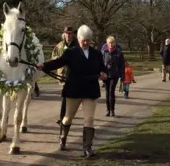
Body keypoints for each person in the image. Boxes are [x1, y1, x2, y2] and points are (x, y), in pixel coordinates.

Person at [36, 25, 107, 157]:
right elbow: (58, 62)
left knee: (89, 119)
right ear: (79, 38)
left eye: (88, 40)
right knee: (68, 118)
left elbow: (102, 68)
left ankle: (87, 148)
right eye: (83, 40)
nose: (86, 42)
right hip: (74, 89)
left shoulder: (96, 54)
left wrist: (104, 74)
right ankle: (63, 137)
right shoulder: (71, 52)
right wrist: (44, 66)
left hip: (90, 90)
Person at [51, 26, 78, 124]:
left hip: (74, 75)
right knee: (66, 95)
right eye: (67, 33)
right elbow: (53, 57)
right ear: (64, 34)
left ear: (73, 34)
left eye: (70, 33)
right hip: (62, 75)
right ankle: (65, 116)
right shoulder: (60, 45)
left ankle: (65, 116)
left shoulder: (77, 46)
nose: (68, 35)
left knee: (67, 96)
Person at [101, 36, 125, 117]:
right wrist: (100, 73)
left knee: (111, 92)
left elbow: (122, 65)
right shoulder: (104, 52)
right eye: (109, 43)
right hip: (106, 75)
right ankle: (108, 110)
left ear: (115, 43)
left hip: (115, 74)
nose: (111, 44)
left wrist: (122, 76)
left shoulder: (118, 53)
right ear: (107, 43)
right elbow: (101, 63)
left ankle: (112, 110)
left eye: (112, 42)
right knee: (107, 93)